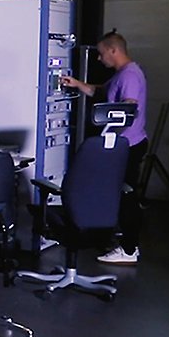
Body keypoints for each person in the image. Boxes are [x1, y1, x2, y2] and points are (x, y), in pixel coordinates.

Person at [61, 30, 148, 265]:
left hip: (126, 145)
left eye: (101, 54)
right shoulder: (121, 74)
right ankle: (120, 239)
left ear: (113, 50)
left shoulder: (130, 75)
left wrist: (108, 136)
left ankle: (129, 249)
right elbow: (99, 91)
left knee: (126, 195)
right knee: (117, 193)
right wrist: (77, 83)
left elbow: (128, 109)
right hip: (121, 144)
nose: (99, 59)